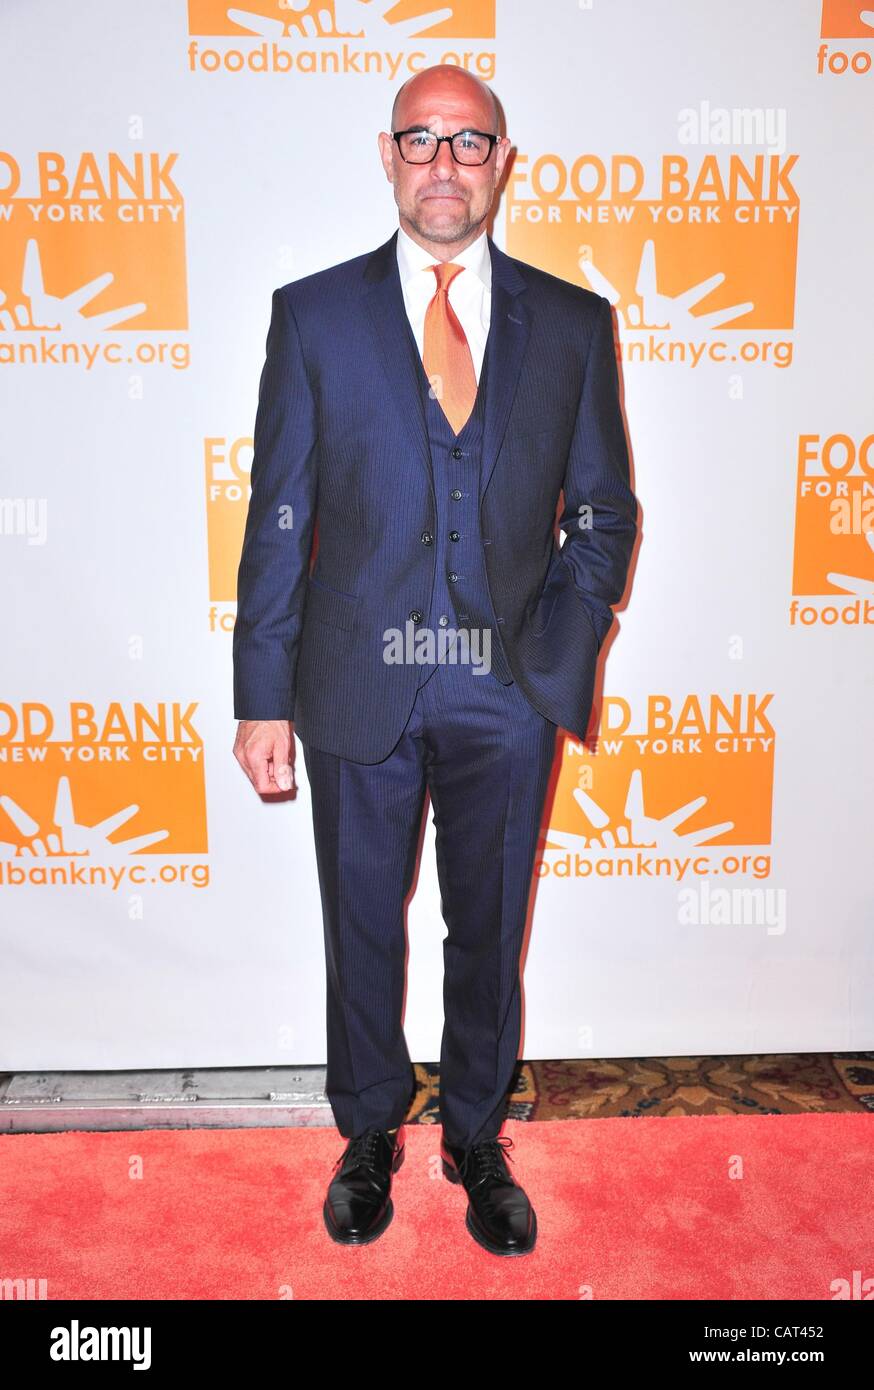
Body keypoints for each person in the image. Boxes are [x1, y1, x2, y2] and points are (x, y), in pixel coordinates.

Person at [232, 63, 637, 1257]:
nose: (444, 164)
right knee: (361, 921)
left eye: (469, 144)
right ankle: (367, 1134)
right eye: (422, 140)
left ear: (502, 162)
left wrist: (549, 656)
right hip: (357, 681)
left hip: (502, 691)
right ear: (387, 154)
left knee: (487, 926)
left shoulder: (570, 323)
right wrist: (263, 692)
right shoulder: (314, 314)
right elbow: (279, 517)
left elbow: (605, 513)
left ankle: (474, 1134)